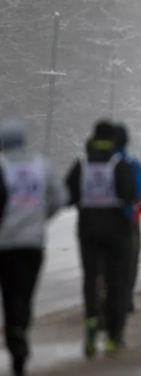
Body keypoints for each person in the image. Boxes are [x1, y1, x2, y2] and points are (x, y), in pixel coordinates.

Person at [0, 121, 66, 375]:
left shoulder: (1, 165)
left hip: (4, 243)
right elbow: (61, 196)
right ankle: (20, 330)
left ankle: (14, 338)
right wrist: (41, 216)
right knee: (25, 293)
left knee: (8, 294)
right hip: (32, 243)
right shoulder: (41, 165)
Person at [65, 120, 136, 356]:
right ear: (113, 140)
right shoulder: (120, 164)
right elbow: (130, 195)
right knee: (116, 280)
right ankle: (114, 336)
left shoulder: (82, 164)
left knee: (90, 278)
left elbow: (69, 194)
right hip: (116, 231)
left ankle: (91, 323)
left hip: (88, 229)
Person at [112, 124, 141, 313]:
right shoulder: (132, 165)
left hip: (97, 222)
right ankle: (125, 297)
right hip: (128, 220)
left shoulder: (95, 163)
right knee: (129, 260)